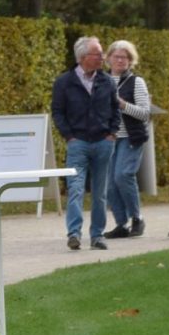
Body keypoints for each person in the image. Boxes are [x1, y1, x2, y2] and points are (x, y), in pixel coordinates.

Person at [51, 36, 119, 251]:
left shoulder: (107, 81)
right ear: (82, 57)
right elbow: (58, 112)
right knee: (76, 189)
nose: (102, 58)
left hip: (103, 142)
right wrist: (69, 136)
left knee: (100, 193)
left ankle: (97, 235)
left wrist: (112, 133)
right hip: (78, 142)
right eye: (97, 54)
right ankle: (74, 233)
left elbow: (115, 109)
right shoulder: (64, 82)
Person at [105, 40, 156, 240]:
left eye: (124, 57)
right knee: (108, 182)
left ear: (130, 61)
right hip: (108, 138)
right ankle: (121, 223)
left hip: (130, 137)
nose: (120, 60)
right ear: (108, 59)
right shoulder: (101, 81)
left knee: (123, 175)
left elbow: (145, 114)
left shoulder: (137, 82)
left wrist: (123, 105)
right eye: (116, 57)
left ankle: (137, 217)